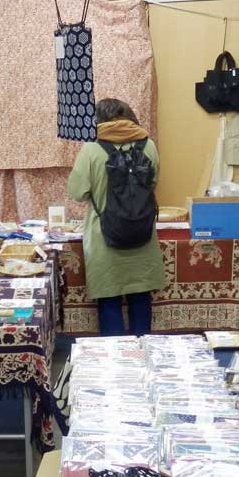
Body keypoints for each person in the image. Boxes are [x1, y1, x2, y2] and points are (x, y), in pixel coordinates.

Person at [68, 98, 165, 337]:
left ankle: (116, 361)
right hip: (142, 235)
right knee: (140, 295)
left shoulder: (91, 149)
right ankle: (143, 353)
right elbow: (152, 183)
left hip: (104, 239)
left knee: (109, 299)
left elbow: (77, 192)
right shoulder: (149, 145)